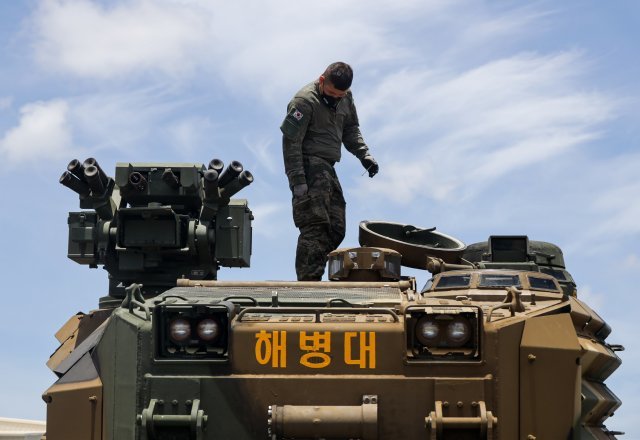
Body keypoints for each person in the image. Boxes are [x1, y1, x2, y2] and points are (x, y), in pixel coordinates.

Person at [280, 61, 379, 281]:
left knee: (336, 227)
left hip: (328, 168)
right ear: (322, 80)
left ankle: (313, 271)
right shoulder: (303, 102)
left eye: (340, 95)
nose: (335, 98)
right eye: (332, 93)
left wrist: (364, 155)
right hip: (308, 167)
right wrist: (298, 182)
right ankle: (307, 283)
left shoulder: (345, 97)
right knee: (315, 226)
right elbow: (291, 143)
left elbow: (351, 129)